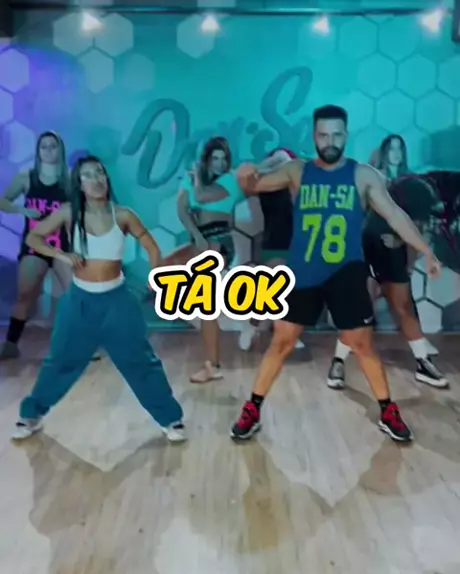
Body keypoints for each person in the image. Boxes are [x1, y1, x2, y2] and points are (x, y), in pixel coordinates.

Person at [231, 105, 441, 443]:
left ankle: (387, 410)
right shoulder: (297, 171)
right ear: (315, 136)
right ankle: (252, 410)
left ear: (346, 136)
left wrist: (427, 251)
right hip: (304, 271)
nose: (330, 141)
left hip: (346, 271)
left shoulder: (363, 176)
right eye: (323, 135)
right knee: (282, 341)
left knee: (362, 344)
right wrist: (245, 175)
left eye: (337, 135)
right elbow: (252, 186)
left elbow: (395, 215)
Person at [12, 156, 185, 442]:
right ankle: (31, 415)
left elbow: (152, 247)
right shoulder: (69, 213)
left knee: (140, 361)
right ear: (79, 184)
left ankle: (170, 419)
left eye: (100, 173)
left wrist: (157, 277)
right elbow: (34, 238)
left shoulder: (123, 215)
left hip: (118, 302)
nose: (96, 180)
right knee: (60, 361)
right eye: (88, 175)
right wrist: (62, 255)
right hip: (79, 301)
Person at [328, 135, 446, 390]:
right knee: (360, 309)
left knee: (403, 306)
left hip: (393, 253)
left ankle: (423, 363)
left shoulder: (412, 182)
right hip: (366, 248)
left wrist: (405, 244)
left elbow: (414, 222)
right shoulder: (370, 176)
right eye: (391, 149)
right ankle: (338, 362)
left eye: (399, 149)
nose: (395, 153)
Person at [0, 132, 100, 361]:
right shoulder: (26, 177)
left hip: (62, 247)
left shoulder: (70, 179)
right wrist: (23, 210)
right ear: (38, 151)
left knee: (76, 295)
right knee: (25, 295)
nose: (48, 151)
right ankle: (11, 345)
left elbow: (81, 212)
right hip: (34, 246)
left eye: (52, 146)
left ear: (60, 149)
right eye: (43, 147)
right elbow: (3, 201)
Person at [172, 137, 244, 383]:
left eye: (224, 159)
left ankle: (212, 365)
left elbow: (201, 197)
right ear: (207, 159)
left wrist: (196, 177)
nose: (220, 164)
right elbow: (181, 210)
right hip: (201, 240)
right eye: (215, 159)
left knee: (207, 303)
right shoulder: (192, 178)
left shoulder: (229, 180)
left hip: (219, 240)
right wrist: (197, 235)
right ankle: (212, 363)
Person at [238, 148, 305, 351]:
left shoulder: (299, 186)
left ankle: (286, 334)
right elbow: (247, 181)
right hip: (275, 241)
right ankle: (251, 328)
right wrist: (268, 164)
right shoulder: (266, 187)